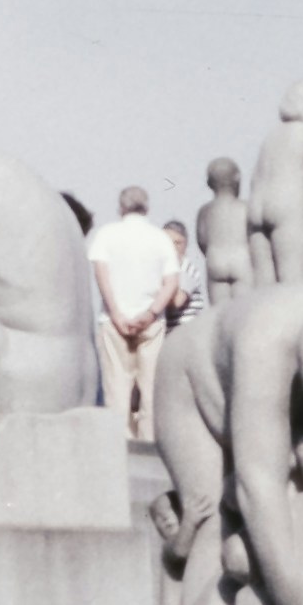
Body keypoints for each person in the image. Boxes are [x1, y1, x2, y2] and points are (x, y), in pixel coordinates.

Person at [87, 185, 188, 446]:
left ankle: (119, 450)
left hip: (113, 321)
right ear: (147, 208)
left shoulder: (106, 234)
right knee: (151, 392)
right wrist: (152, 313)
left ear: (121, 207)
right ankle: (150, 448)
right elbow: (171, 282)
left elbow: (102, 276)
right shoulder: (160, 239)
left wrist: (117, 313)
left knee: (117, 393)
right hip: (152, 324)